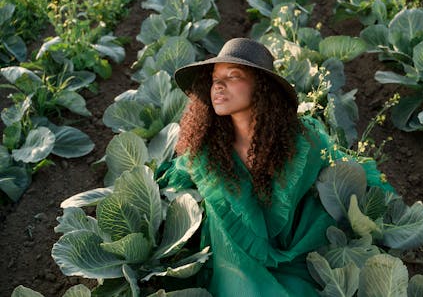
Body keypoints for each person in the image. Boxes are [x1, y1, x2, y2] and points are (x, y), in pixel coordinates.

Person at [155, 38, 393, 296]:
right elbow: (177, 174)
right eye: (214, 79)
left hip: (294, 253)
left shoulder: (303, 142)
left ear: (262, 86)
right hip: (231, 260)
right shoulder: (206, 150)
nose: (219, 86)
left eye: (233, 76)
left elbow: (338, 165)